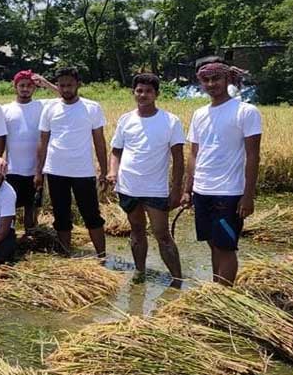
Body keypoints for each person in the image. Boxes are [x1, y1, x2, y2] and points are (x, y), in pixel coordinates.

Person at [181, 62, 262, 286]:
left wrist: (248, 196)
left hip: (229, 192)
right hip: (202, 190)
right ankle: (217, 289)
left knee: (226, 246)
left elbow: (253, 155)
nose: (211, 84)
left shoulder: (246, 111)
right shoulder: (199, 114)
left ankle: (223, 297)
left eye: (216, 79)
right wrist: (188, 190)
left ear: (227, 80)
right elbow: (194, 154)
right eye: (206, 80)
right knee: (212, 243)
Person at [107, 73, 184, 287]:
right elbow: (116, 151)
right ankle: (140, 271)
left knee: (162, 235)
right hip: (129, 186)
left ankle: (177, 279)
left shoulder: (170, 121)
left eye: (148, 91)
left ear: (156, 94)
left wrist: (176, 190)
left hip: (156, 189)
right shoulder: (126, 119)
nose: (143, 95)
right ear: (134, 93)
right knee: (137, 231)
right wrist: (113, 172)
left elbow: (178, 158)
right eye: (139, 91)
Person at [35, 67, 108, 257]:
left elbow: (99, 141)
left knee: (92, 215)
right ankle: (66, 255)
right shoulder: (49, 108)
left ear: (78, 85)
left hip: (83, 171)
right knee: (61, 215)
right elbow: (43, 141)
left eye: (69, 85)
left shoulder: (92, 107)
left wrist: (104, 170)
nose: (65, 89)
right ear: (57, 86)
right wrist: (39, 172)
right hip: (56, 169)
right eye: (62, 85)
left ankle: (102, 256)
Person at [1, 70, 58, 230]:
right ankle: (7, 236)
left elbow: (65, 95)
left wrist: (45, 83)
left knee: (32, 207)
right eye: (22, 85)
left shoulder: (43, 106)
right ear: (15, 87)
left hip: (35, 169)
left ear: (34, 88)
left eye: (29, 86)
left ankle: (30, 236)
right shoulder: (5, 109)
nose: (25, 89)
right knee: (9, 206)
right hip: (12, 168)